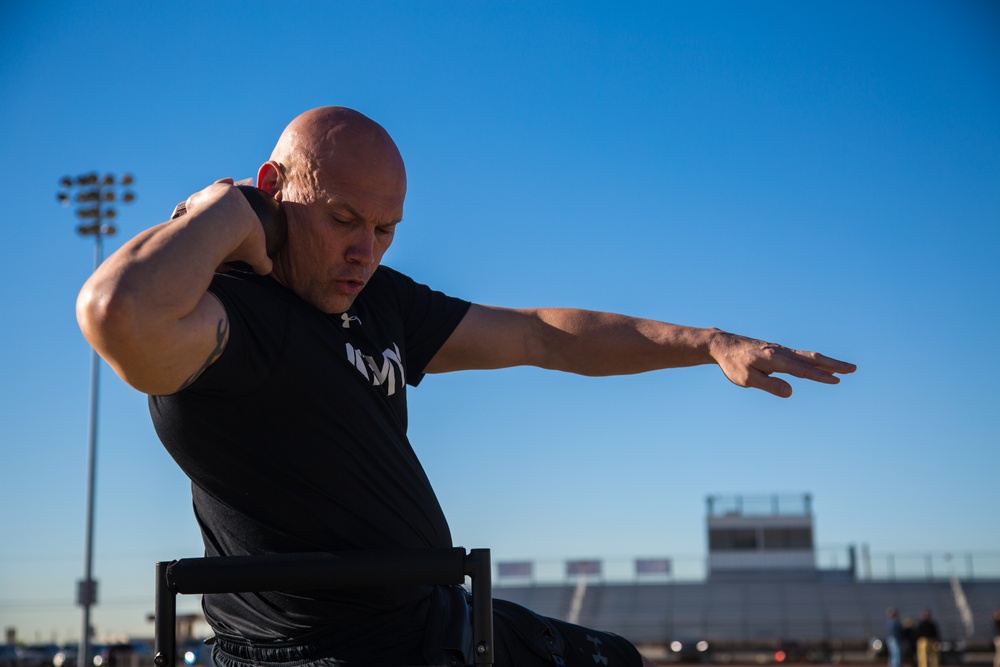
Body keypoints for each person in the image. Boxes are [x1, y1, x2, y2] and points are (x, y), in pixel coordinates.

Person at [76, 106, 856, 667]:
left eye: (385, 230)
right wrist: (223, 211)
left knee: (615, 658)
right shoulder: (232, 318)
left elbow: (539, 333)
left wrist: (708, 341)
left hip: (431, 617)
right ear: (274, 187)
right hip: (316, 649)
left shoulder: (372, 299)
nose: (365, 251)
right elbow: (117, 310)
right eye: (344, 219)